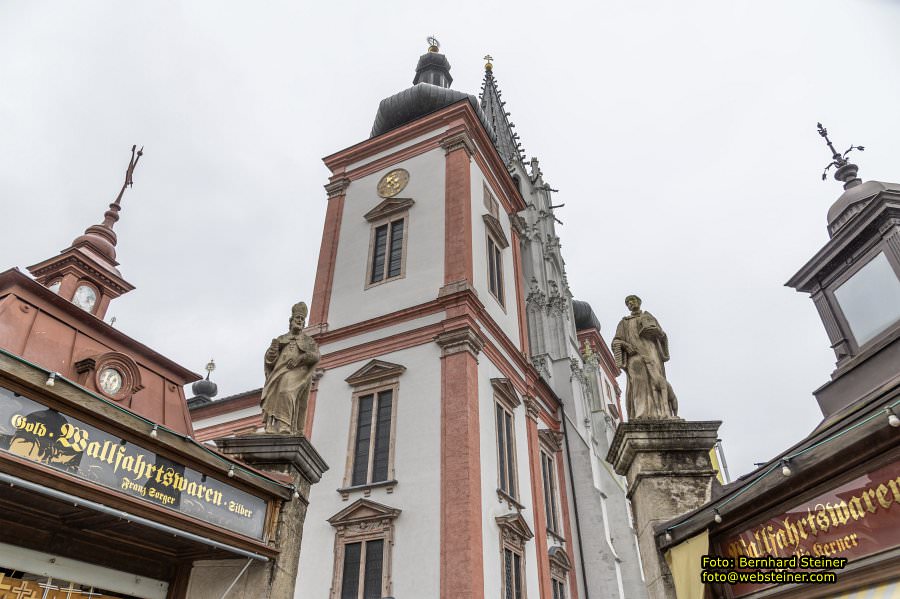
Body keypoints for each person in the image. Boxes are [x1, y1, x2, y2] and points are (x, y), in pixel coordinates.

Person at [611, 295, 679, 420]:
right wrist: (625, 345)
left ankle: (662, 413)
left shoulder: (648, 317)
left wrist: (659, 333)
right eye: (628, 303)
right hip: (634, 356)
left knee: (656, 380)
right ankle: (641, 414)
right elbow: (616, 341)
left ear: (639, 302)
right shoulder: (624, 322)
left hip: (652, 353)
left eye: (633, 301)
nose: (631, 303)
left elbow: (662, 336)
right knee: (638, 382)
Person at [260, 302, 320, 434]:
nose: (300, 320)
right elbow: (270, 360)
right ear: (291, 321)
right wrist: (272, 351)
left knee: (286, 391)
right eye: (297, 318)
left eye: (302, 319)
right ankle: (273, 426)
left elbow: (315, 356)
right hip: (279, 371)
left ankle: (285, 425)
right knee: (274, 395)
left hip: (298, 373)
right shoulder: (282, 338)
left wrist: (300, 359)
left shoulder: (308, 341)